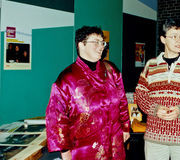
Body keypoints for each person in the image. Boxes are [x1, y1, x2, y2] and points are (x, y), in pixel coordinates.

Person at [46, 26, 130, 160]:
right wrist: (65, 150)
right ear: (81, 45)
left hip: (114, 142)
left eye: (103, 42)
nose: (101, 46)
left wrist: (125, 127)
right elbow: (56, 118)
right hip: (84, 149)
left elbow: (122, 100)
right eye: (96, 42)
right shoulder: (67, 79)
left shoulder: (111, 70)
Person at [134, 18, 180, 160]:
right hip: (155, 137)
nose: (179, 41)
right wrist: (155, 109)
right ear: (163, 39)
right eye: (174, 36)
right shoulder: (151, 65)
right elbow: (141, 95)